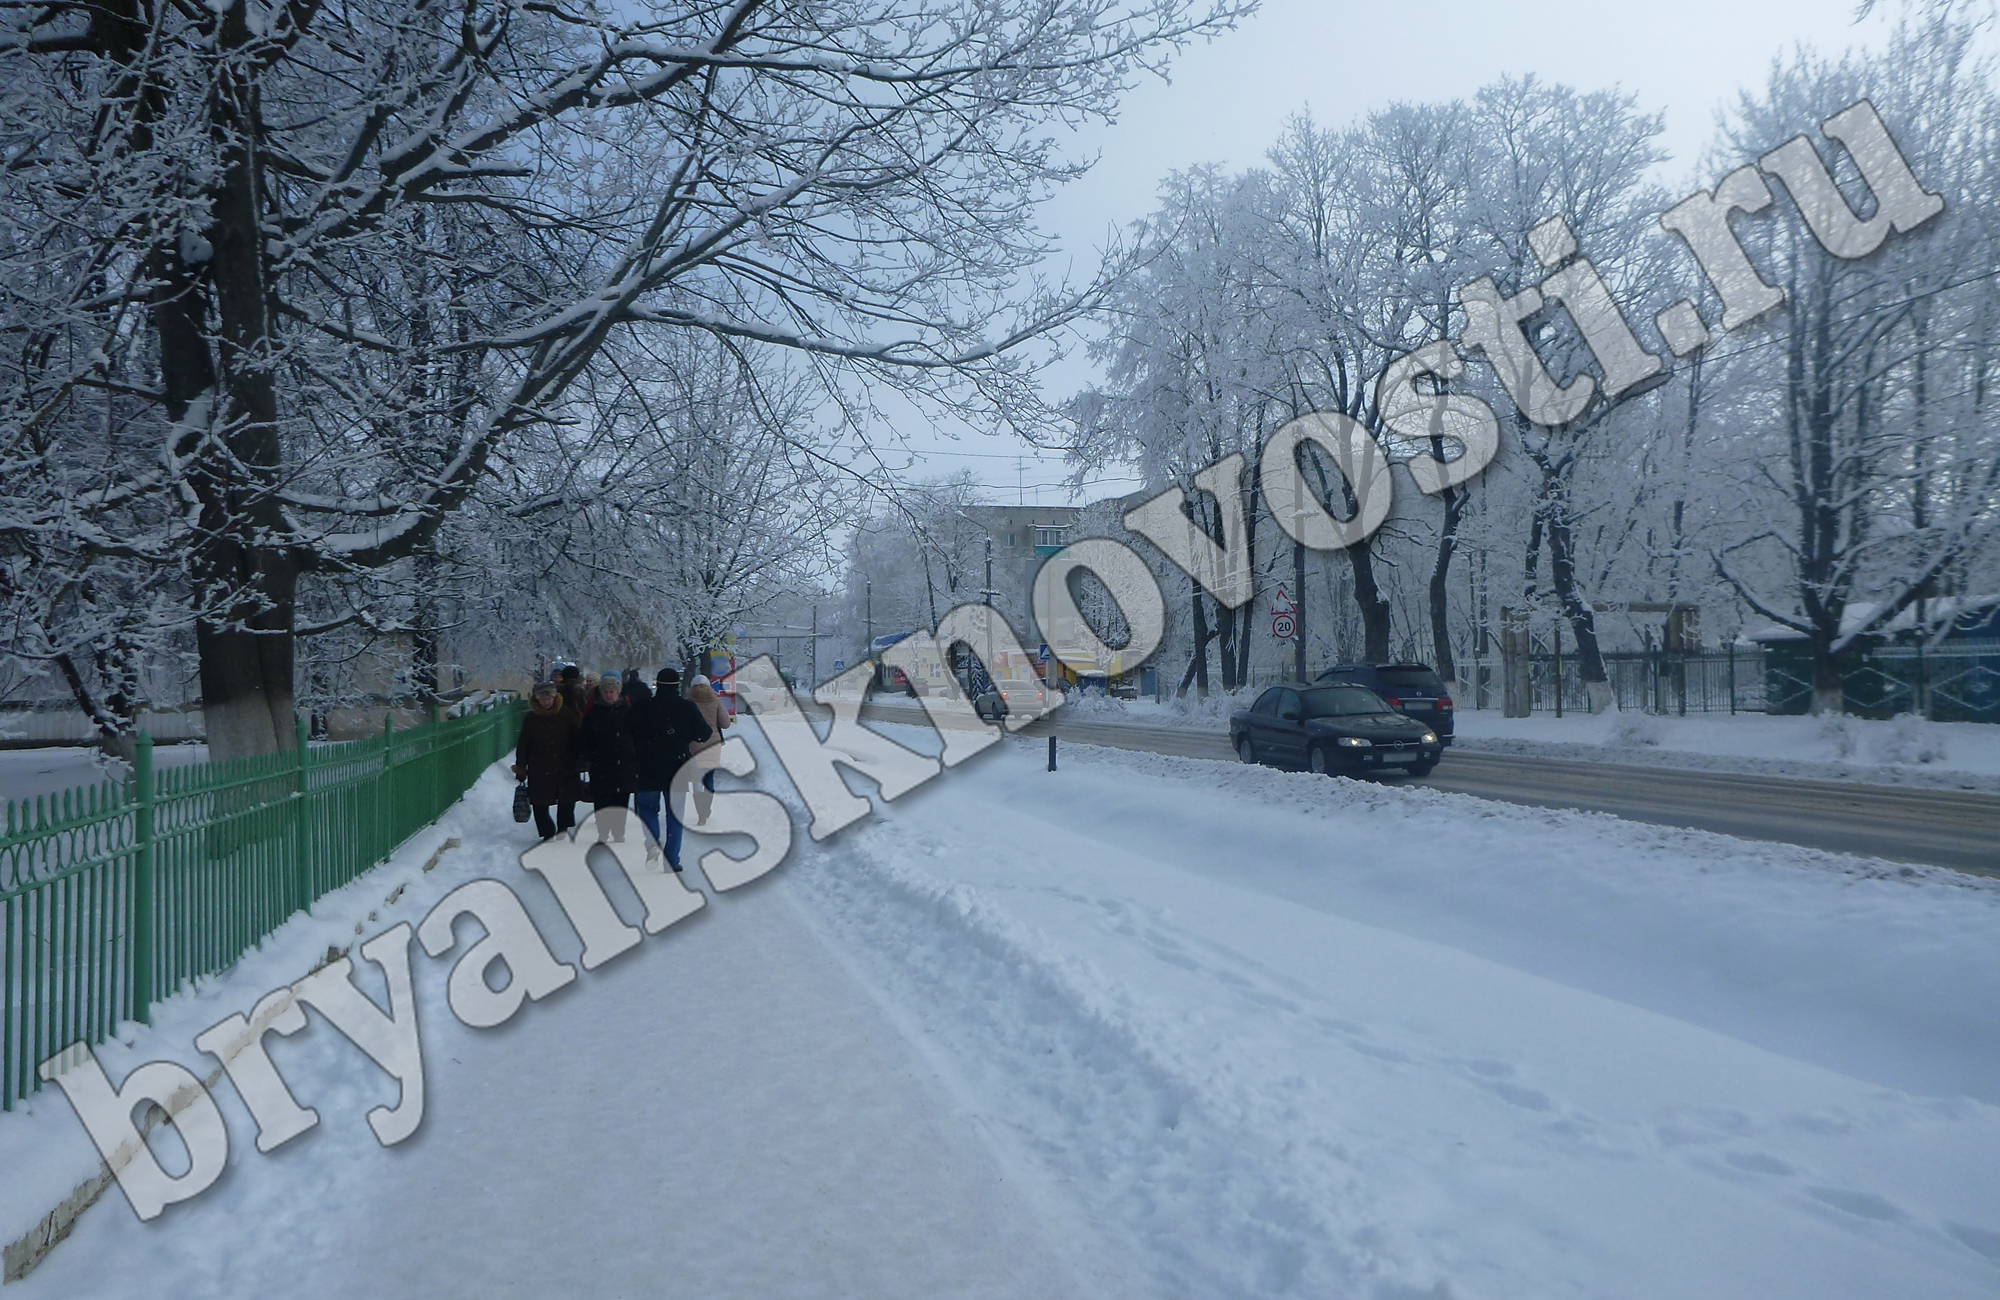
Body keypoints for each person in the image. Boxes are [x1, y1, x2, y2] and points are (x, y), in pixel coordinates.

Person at [630, 669, 712, 869]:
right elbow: (705, 733)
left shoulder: (642, 707)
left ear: (657, 684)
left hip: (647, 766)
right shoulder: (687, 707)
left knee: (648, 809)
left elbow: (627, 730)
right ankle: (672, 860)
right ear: (677, 685)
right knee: (675, 815)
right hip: (677, 768)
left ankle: (652, 843)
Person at [513, 682, 582, 839]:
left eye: (549, 698)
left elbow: (577, 737)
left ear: (554, 697)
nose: (546, 702)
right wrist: (521, 767)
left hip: (565, 763)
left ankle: (563, 828)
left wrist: (580, 757)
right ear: (537, 700)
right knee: (539, 801)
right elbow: (523, 743)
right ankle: (547, 831)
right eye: (543, 699)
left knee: (566, 798)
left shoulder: (565, 713)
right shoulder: (531, 718)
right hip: (539, 765)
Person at [578, 670, 636, 838]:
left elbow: (636, 736)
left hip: (623, 763)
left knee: (620, 800)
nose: (609, 695)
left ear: (618, 692)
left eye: (612, 691)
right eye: (606, 691)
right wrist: (584, 758)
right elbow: (585, 738)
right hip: (600, 763)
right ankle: (603, 831)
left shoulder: (628, 712)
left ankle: (618, 831)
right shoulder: (594, 714)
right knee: (602, 800)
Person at [685, 673, 730, 825]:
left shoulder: (689, 702)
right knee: (709, 779)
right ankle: (707, 808)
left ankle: (701, 814)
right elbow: (725, 723)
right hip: (712, 745)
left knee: (697, 780)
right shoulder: (715, 701)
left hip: (694, 745)